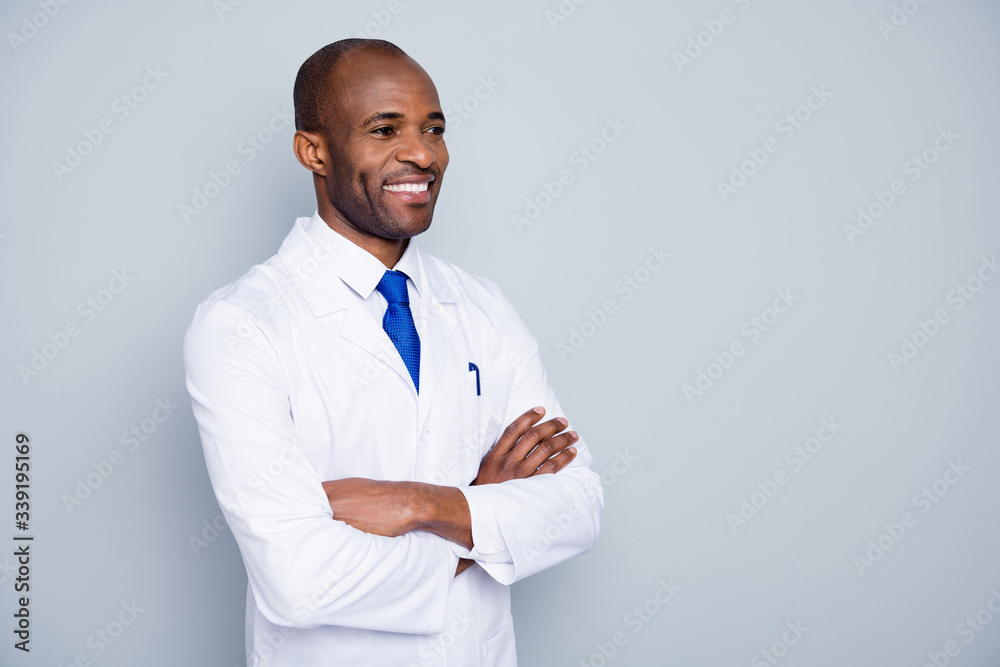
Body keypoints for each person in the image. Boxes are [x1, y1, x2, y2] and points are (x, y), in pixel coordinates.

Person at [183, 38, 603, 666]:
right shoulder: (241, 325)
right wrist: (485, 514)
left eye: (434, 129)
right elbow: (300, 581)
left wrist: (420, 504)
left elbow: (578, 507)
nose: (423, 153)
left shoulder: (483, 307)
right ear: (313, 151)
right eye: (385, 130)